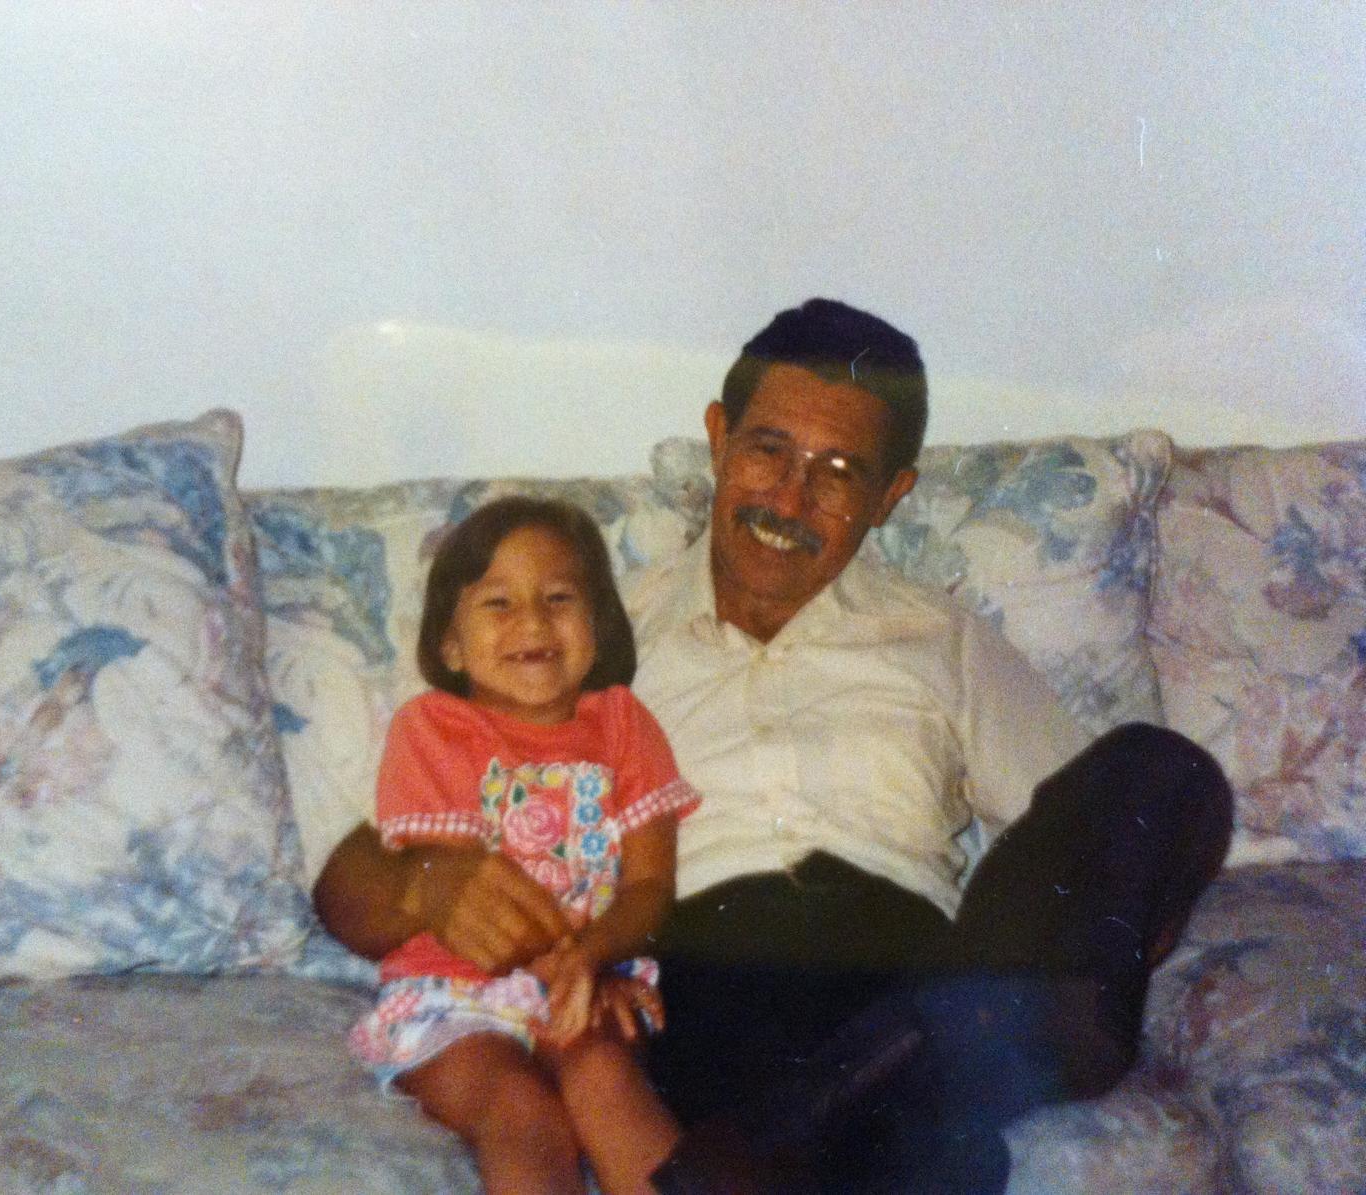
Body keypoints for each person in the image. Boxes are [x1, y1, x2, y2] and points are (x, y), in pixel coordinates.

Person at [316, 300, 1232, 1193]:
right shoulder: (581, 633)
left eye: (837, 471)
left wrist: (1120, 913)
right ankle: (901, 1080)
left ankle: (838, 1104)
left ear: (889, 495)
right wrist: (428, 883)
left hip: (907, 959)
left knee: (1164, 770)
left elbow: (1094, 837)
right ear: (718, 438)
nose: (790, 498)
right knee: (934, 1119)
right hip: (707, 984)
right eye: (768, 451)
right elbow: (353, 871)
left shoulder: (943, 637)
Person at [345, 495, 699, 1195]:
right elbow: (465, 899)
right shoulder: (430, 731)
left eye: (560, 596)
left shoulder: (626, 725)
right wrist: (570, 967)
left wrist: (596, 959)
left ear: (597, 624)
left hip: (585, 979)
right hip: (455, 995)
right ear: (450, 644)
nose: (533, 620)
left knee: (605, 1075)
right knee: (521, 1108)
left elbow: (649, 887)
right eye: (498, 603)